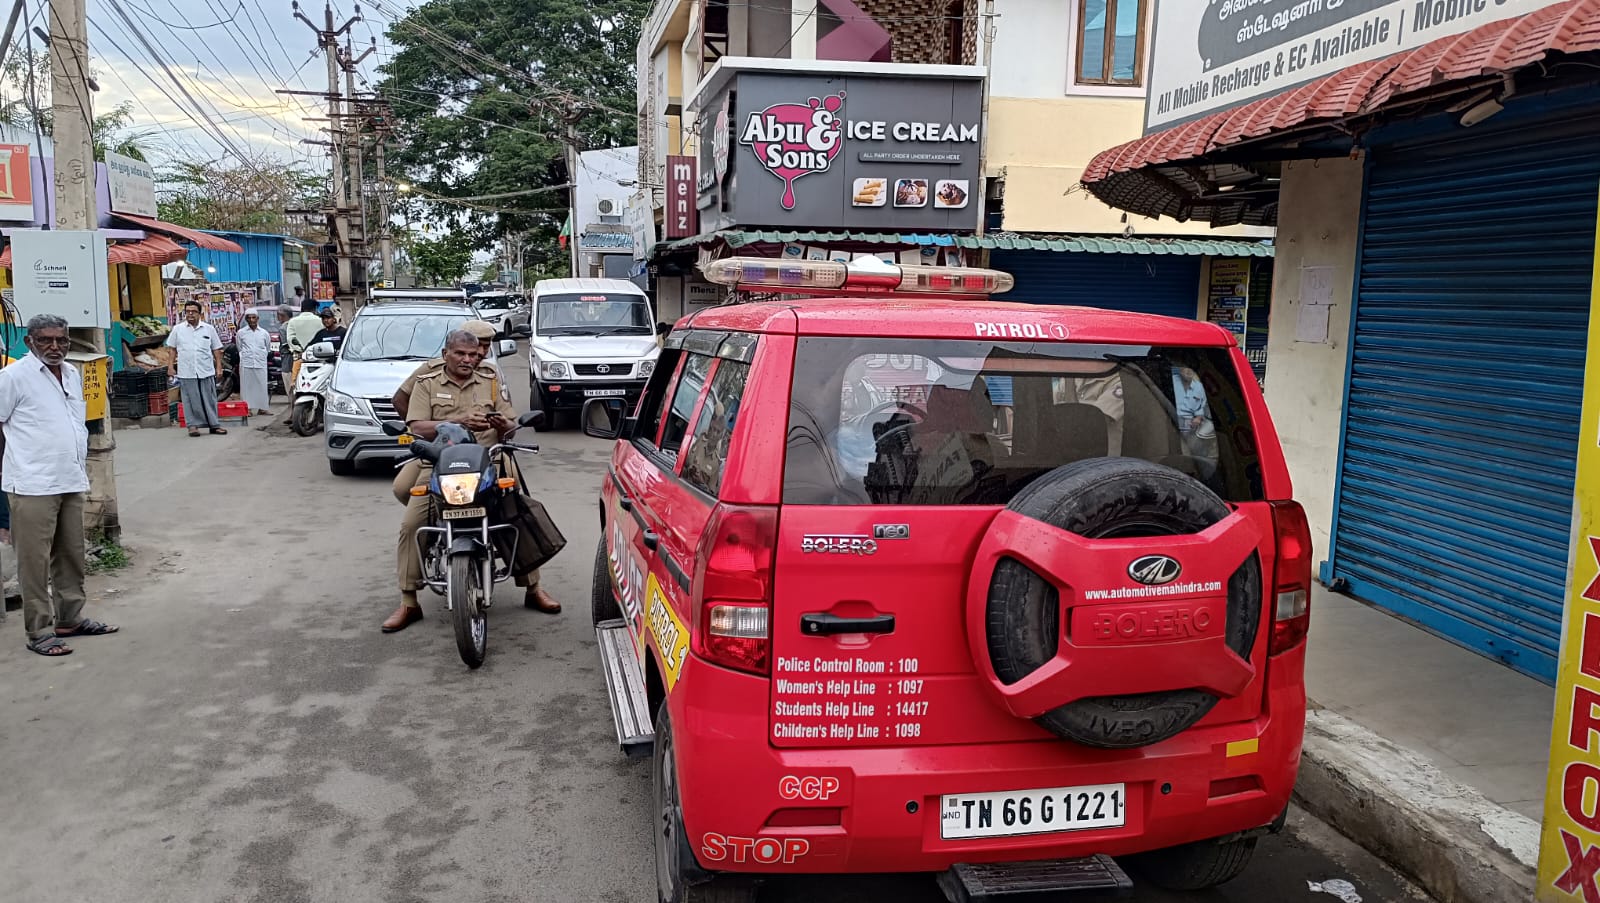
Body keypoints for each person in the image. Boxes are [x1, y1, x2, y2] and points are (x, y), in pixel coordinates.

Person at [383, 331, 558, 632]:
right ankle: (409, 601)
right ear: (446, 353)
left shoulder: (489, 379)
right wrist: (460, 421)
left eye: (473, 354)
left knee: (516, 511)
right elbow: (417, 427)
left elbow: (511, 424)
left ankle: (532, 587)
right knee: (412, 524)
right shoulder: (428, 383)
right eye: (461, 354)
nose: (468, 360)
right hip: (440, 461)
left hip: (488, 458)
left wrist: (506, 427)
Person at [0, 314, 120, 656]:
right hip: (31, 483)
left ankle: (71, 618)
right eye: (46, 340)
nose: (55, 347)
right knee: (33, 562)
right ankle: (39, 631)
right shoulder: (12, 378)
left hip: (69, 477)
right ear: (30, 342)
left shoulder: (70, 373)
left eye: (61, 340)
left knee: (70, 553)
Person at [166, 300, 228, 437]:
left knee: (209, 398)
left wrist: (219, 367)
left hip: (205, 369)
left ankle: (214, 425)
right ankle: (192, 426)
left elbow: (217, 349)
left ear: (200, 313)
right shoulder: (178, 329)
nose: (190, 314)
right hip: (186, 371)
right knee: (189, 399)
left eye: (193, 311)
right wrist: (170, 366)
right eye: (187, 312)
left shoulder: (208, 329)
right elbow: (172, 349)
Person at [235, 311, 273, 415]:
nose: (251, 320)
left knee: (261, 385)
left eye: (253, 318)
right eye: (249, 318)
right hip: (246, 362)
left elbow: (267, 347)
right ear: (246, 320)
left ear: (257, 318)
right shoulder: (241, 333)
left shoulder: (264, 333)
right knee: (247, 387)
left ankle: (263, 408)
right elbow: (239, 347)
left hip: (260, 362)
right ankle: (248, 409)